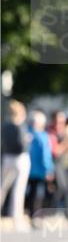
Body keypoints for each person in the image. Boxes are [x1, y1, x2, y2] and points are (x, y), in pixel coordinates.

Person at [0, 99, 31, 231]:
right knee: (18, 190)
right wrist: (27, 140)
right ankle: (17, 219)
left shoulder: (5, 126)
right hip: (20, 158)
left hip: (7, 157)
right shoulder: (20, 126)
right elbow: (21, 144)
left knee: (2, 187)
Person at [26, 110, 54, 219]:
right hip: (40, 170)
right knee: (38, 192)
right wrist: (49, 169)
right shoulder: (43, 136)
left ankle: (28, 211)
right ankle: (35, 214)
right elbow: (46, 155)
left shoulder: (27, 133)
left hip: (28, 169)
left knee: (28, 191)